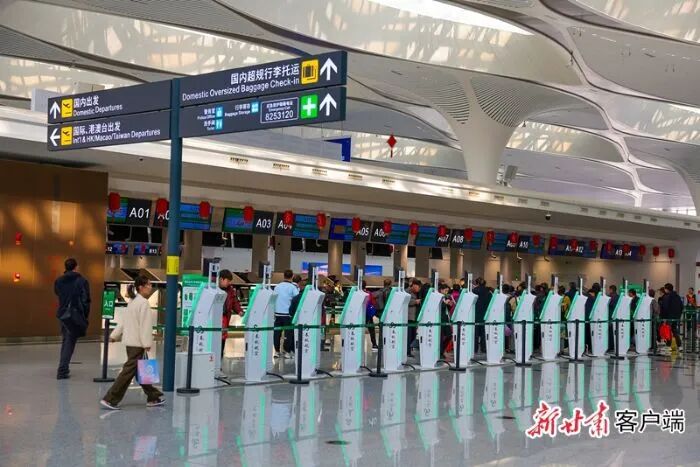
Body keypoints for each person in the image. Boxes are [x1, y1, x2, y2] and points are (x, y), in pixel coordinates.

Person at [100, 275, 164, 410]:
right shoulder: (143, 303)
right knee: (128, 372)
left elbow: (123, 321)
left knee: (141, 370)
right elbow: (145, 326)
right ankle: (110, 399)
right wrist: (147, 343)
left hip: (131, 343)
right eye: (148, 285)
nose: (150, 287)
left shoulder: (133, 302)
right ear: (141, 287)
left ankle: (153, 396)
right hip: (138, 344)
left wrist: (114, 335)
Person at [54, 258, 91, 380]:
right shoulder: (82, 281)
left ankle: (63, 368)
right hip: (74, 315)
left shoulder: (59, 281)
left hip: (62, 314)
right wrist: (84, 315)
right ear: (76, 267)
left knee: (66, 340)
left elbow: (57, 293)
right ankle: (62, 370)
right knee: (69, 342)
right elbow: (86, 300)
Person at [273, 269, 299, 359]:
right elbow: (297, 299)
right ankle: (286, 351)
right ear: (292, 276)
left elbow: (273, 298)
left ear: (284, 276)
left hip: (277, 313)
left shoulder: (277, 286)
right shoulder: (292, 287)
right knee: (288, 333)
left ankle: (276, 351)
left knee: (277, 333)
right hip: (287, 314)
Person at [219, 269, 243, 361]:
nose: (229, 283)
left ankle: (219, 362)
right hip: (215, 319)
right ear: (221, 279)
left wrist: (239, 311)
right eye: (227, 281)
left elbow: (234, 302)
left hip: (225, 318)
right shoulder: (213, 288)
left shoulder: (230, 290)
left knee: (222, 341)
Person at [369, 279, 393, 351]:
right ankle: (387, 344)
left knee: (381, 329)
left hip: (380, 312)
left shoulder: (379, 291)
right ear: (390, 284)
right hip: (390, 313)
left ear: (384, 284)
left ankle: (380, 345)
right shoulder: (392, 291)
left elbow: (371, 297)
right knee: (389, 329)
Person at [660, 283, 683, 349]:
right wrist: (678, 315)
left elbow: (665, 308)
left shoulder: (666, 297)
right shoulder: (678, 296)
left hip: (669, 317)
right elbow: (681, 306)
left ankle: (668, 345)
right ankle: (679, 344)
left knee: (668, 330)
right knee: (674, 330)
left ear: (667, 289)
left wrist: (663, 317)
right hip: (676, 317)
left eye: (665, 288)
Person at [473, 277, 491, 354]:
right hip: (485, 315)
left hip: (475, 315)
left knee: (475, 333)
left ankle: (475, 348)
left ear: (476, 283)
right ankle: (484, 348)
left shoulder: (474, 291)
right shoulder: (488, 292)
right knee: (484, 333)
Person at [438, 283, 454, 359]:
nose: (446, 292)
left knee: (449, 335)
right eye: (445, 291)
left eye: (447, 291)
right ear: (441, 290)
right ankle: (441, 352)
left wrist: (449, 305)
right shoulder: (438, 297)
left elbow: (446, 309)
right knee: (441, 337)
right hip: (441, 320)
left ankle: (443, 350)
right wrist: (445, 303)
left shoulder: (445, 297)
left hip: (446, 319)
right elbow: (439, 308)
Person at [407, 279, 422, 358]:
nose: (419, 289)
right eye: (418, 287)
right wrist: (415, 301)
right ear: (414, 285)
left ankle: (409, 350)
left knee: (413, 335)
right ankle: (407, 351)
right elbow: (406, 301)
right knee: (409, 336)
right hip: (409, 317)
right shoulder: (407, 292)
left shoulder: (416, 293)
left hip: (413, 318)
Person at [607, 285, 620, 352]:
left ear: (611, 290)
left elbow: (608, 305)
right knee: (615, 331)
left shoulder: (610, 297)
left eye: (609, 289)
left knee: (610, 332)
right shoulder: (619, 297)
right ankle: (615, 346)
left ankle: (610, 346)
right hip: (616, 316)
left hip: (610, 316)